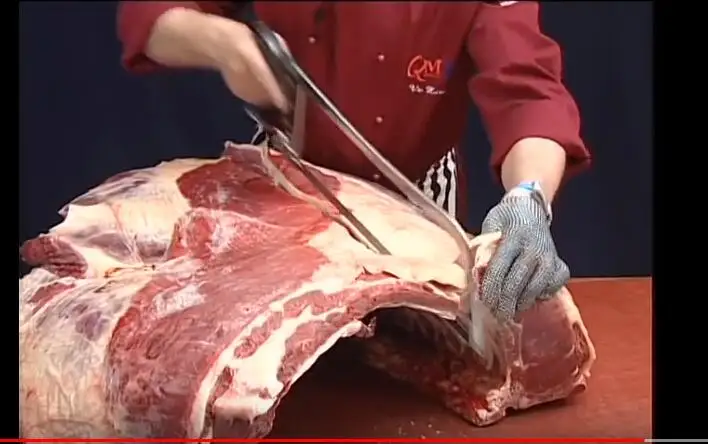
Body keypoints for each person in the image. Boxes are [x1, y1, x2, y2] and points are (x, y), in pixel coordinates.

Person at [117, 1, 591, 319]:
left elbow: (528, 93)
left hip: (419, 191)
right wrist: (220, 40)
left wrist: (528, 197)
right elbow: (148, 17)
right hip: (285, 177)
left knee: (416, 354)